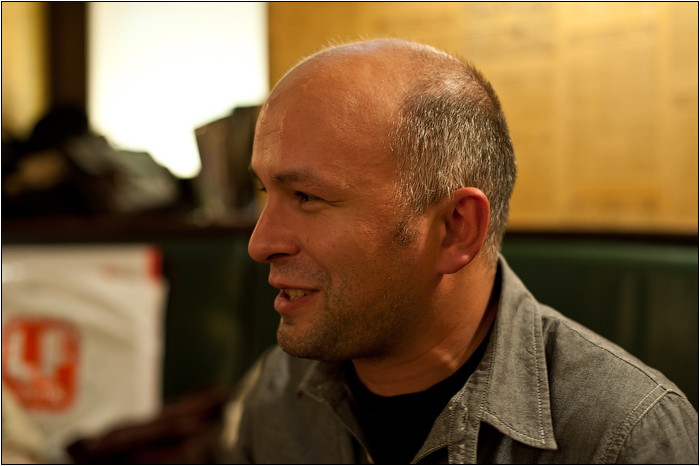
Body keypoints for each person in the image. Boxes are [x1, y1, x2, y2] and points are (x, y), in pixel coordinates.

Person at [224, 39, 698, 464]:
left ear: (455, 230)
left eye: (307, 197)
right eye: (266, 192)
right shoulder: (279, 393)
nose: (260, 244)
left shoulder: (623, 439)